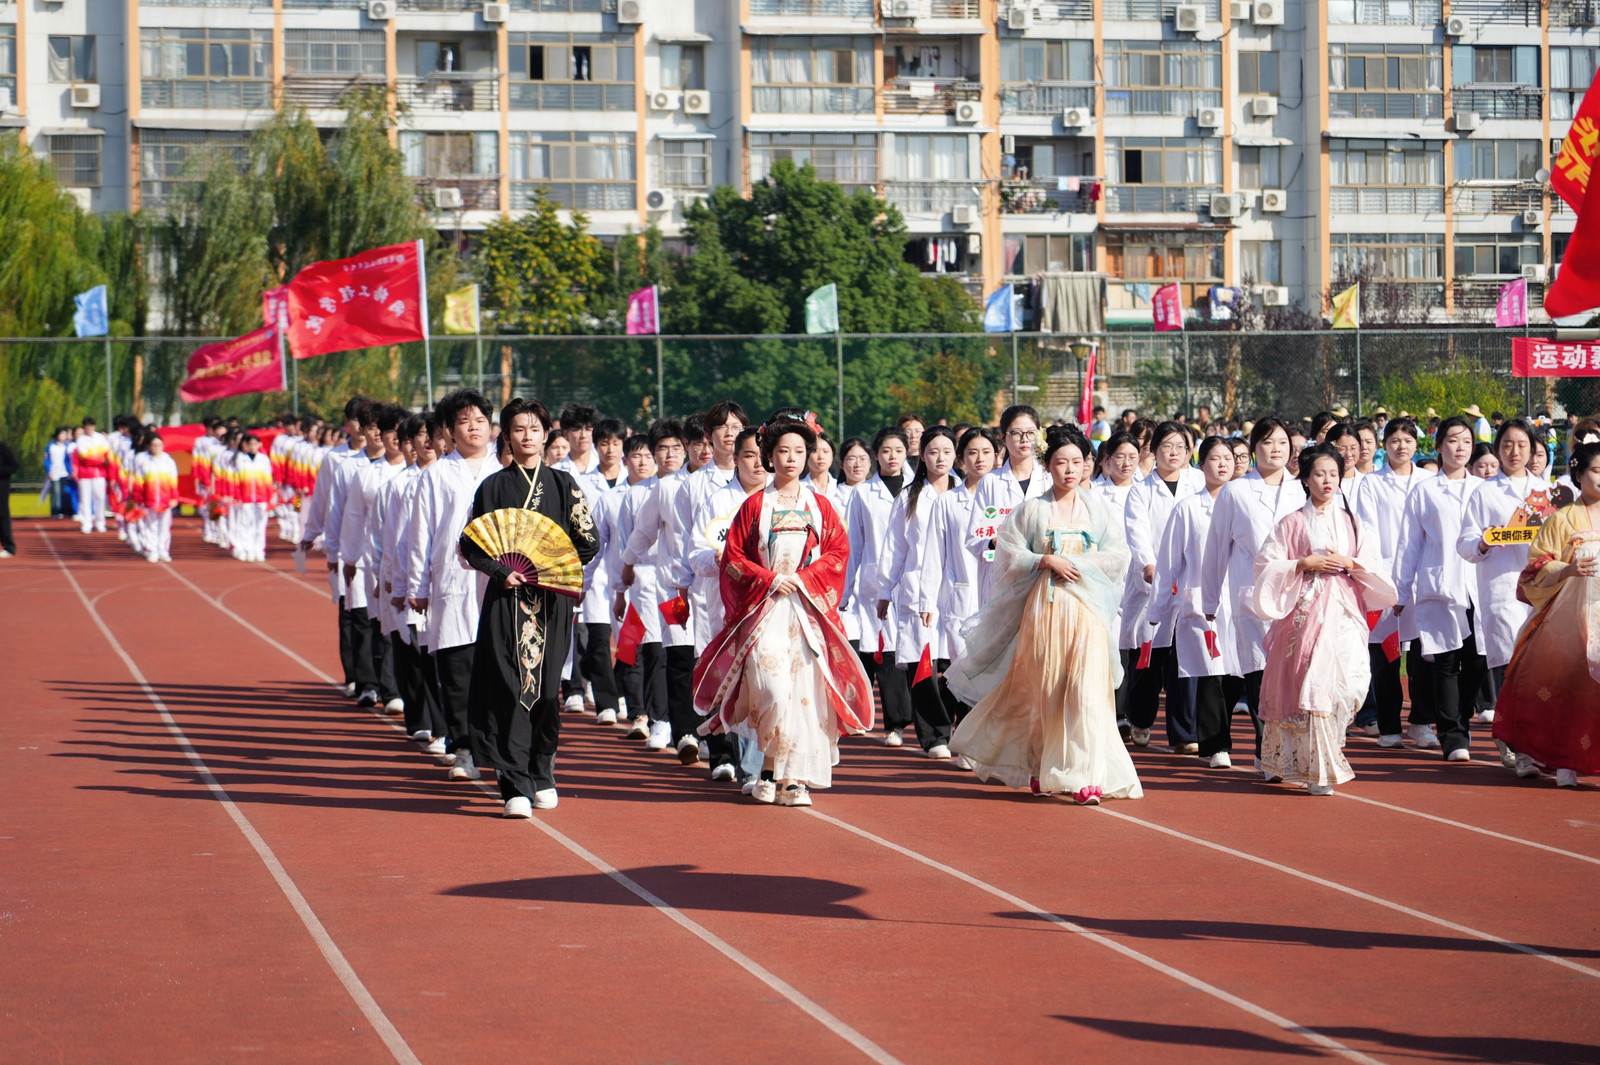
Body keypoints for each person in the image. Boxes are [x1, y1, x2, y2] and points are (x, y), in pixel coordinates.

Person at [947, 424, 1141, 805]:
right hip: (1046, 611)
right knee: (1046, 690)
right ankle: (1041, 766)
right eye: (1060, 462)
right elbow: (1007, 555)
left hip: (1085, 614)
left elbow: (1119, 556)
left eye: (1076, 462)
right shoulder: (1032, 510)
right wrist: (1043, 560)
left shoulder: (1096, 511)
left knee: (1085, 692)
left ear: (1086, 465)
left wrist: (1079, 563)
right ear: (1047, 465)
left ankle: (1084, 775)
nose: (1069, 470)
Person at [693, 416, 874, 807]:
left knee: (803, 695)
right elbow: (734, 559)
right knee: (773, 690)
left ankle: (789, 779)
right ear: (770, 457)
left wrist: (805, 578)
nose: (791, 458)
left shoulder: (820, 506)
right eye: (783, 451)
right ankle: (770, 766)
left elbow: (839, 553)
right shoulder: (754, 506)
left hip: (807, 613)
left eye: (799, 451)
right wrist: (770, 579)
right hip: (764, 612)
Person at [459, 398, 599, 817]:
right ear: (506, 435)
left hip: (552, 602)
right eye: (518, 429)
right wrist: (500, 570)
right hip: (507, 601)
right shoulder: (492, 487)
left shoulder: (564, 485)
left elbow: (589, 541)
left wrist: (554, 566)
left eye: (535, 429)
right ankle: (513, 782)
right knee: (510, 685)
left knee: (547, 689)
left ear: (545, 434)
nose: (527, 436)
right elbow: (471, 544)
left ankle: (542, 771)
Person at [1253, 444, 1397, 795]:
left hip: (1344, 609)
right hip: (1304, 613)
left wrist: (1349, 562)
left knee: (1347, 684)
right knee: (1313, 685)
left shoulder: (1352, 522)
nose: (1327, 480)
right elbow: (1265, 565)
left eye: (1333, 473)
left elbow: (1371, 562)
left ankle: (1318, 756)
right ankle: (1317, 770)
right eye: (1319, 474)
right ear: (1305, 479)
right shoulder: (1290, 523)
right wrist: (1302, 564)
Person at [1202, 416, 1307, 779]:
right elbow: (1216, 550)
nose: (1276, 449)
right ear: (1253, 448)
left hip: (1297, 597)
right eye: (1267, 442)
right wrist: (1210, 601)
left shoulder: (1301, 489)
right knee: (1261, 677)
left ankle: (1290, 751)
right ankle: (1269, 751)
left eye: (1282, 442)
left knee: (1293, 677)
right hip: (1252, 597)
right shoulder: (1235, 492)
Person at [405, 389, 501, 780]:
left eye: (480, 420)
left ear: (491, 426)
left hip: (501, 581)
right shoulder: (436, 474)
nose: (473, 427)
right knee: (458, 670)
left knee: (499, 670)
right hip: (453, 581)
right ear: (448, 430)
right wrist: (418, 586)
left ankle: (498, 748)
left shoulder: (506, 469)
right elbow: (420, 534)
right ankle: (463, 749)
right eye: (464, 421)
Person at [1493, 441, 1600, 788]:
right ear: (1579, 474)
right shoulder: (1561, 519)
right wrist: (1568, 569)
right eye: (1597, 470)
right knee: (1569, 686)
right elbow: (1537, 565)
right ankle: (1565, 761)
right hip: (1570, 618)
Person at [1457, 417, 1550, 778]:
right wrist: (1484, 542)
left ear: (1533, 450)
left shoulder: (1548, 492)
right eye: (1507, 444)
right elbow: (1465, 543)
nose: (1515, 451)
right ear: (1497, 448)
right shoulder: (1484, 493)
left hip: (1543, 590)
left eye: (1522, 445)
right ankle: (1518, 745)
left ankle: (1536, 744)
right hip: (1502, 588)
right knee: (1513, 669)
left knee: (1540, 671)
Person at [1150, 437, 1238, 767]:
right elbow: (1169, 561)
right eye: (1215, 458)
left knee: (1237, 675)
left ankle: (1224, 734)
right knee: (1212, 672)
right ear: (1201, 466)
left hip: (1239, 602)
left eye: (1228, 458)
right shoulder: (1187, 508)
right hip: (1201, 604)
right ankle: (1217, 745)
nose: (1223, 464)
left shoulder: (1243, 505)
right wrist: (1157, 608)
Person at [1351, 417, 1437, 750]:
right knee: (1385, 653)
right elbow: (1368, 531)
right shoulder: (1372, 484)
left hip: (1423, 576)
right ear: (1384, 445)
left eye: (1408, 440)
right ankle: (1389, 725)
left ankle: (1421, 722)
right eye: (1395, 440)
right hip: (1385, 577)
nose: (1402, 446)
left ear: (1417, 444)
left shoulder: (1429, 480)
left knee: (1424, 653)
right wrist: (1382, 578)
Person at [1124, 421, 1207, 750]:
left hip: (1191, 581)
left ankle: (1184, 733)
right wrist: (1150, 566)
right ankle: (1141, 718)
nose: (1174, 453)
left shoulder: (1199, 483)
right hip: (1154, 584)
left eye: (1181, 447)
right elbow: (1137, 532)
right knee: (1150, 658)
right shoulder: (1141, 490)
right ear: (1153, 450)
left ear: (1189, 452)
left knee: (1186, 658)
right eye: (1167, 446)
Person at [877, 426, 959, 758]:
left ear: (955, 455)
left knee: (953, 663)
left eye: (947, 451)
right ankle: (934, 736)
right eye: (933, 452)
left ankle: (955, 726)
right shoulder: (909, 497)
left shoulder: (964, 493)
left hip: (956, 589)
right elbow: (894, 547)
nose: (940, 458)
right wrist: (885, 589)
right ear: (922, 456)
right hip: (916, 587)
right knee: (922, 664)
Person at [845, 426, 915, 746]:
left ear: (907, 453)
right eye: (886, 451)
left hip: (912, 579)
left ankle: (923, 721)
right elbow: (854, 544)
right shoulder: (862, 493)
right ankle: (895, 725)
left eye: (898, 451)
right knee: (884, 651)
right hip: (875, 582)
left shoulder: (919, 489)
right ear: (876, 455)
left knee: (915, 649)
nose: (892, 457)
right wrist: (845, 591)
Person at [968, 405, 1050, 603]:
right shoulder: (990, 482)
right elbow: (974, 538)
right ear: (1004, 438)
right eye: (1016, 433)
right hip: (1003, 580)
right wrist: (993, 542)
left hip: (1043, 578)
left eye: (1030, 433)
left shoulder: (1049, 477)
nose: (1024, 439)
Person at [230, 434, 274, 563]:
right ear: (246, 445)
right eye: (251, 444)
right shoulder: (240, 459)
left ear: (259, 445)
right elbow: (236, 480)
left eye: (255, 444)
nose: (253, 446)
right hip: (246, 498)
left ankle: (259, 550)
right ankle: (247, 549)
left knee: (260, 525)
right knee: (245, 525)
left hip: (262, 498)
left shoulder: (264, 459)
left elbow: (268, 480)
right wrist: (237, 497)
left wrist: (269, 498)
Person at [139, 432, 179, 563]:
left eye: (159, 445)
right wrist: (139, 498)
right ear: (149, 446)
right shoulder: (144, 461)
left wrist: (174, 497)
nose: (156, 447)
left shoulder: (169, 462)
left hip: (165, 500)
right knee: (150, 526)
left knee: (164, 527)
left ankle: (163, 550)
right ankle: (152, 551)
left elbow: (173, 482)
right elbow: (139, 482)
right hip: (149, 499)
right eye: (154, 445)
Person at [74, 417, 110, 534]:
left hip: (99, 474)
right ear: (84, 427)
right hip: (85, 474)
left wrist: (104, 460)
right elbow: (85, 457)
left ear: (94, 426)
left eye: (91, 425)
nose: (89, 427)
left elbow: (107, 453)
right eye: (87, 426)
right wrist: (101, 460)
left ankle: (100, 523)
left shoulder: (100, 438)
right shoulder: (81, 439)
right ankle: (87, 524)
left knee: (100, 498)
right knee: (85, 500)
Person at [0, 435, 17, 558]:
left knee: (2, 515)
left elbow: (14, 466)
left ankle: (9, 547)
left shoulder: (2, 448)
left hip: (1, 487)